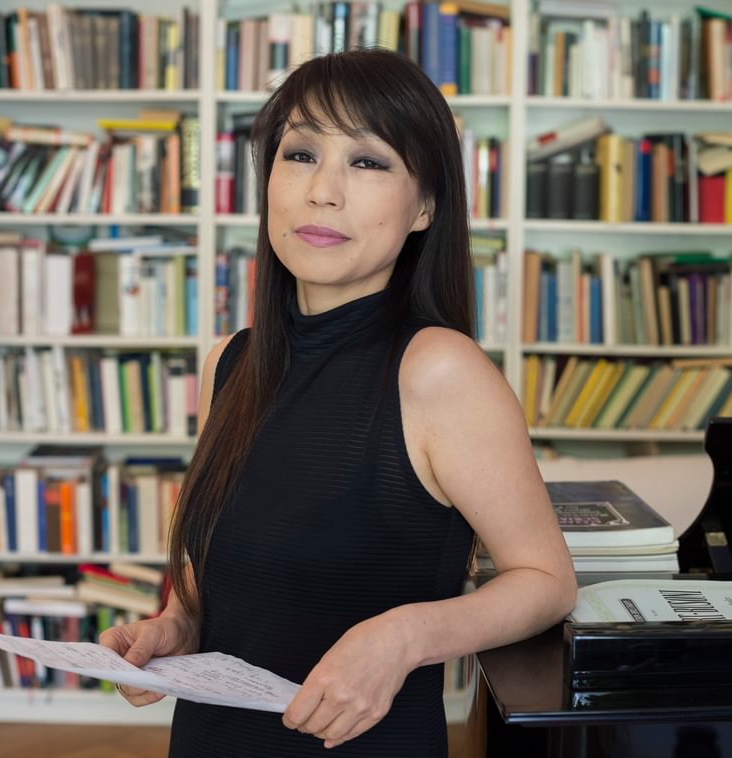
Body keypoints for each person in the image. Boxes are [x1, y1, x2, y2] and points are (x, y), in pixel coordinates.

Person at [99, 48, 578, 757]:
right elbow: (219, 574)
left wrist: (402, 636)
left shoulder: (440, 371)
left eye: (368, 161)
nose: (323, 190)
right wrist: (176, 625)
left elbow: (547, 582)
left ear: (424, 207)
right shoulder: (229, 363)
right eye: (300, 154)